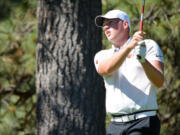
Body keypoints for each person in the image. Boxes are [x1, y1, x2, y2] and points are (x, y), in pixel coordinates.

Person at [94, 10, 164, 135]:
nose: (105, 27)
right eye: (104, 24)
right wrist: (129, 47)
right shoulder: (102, 55)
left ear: (125, 24)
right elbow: (106, 69)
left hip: (144, 121)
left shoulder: (148, 46)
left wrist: (143, 61)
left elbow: (159, 81)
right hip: (114, 125)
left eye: (110, 22)